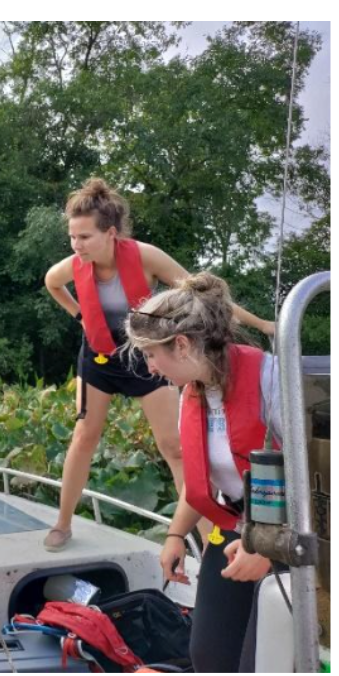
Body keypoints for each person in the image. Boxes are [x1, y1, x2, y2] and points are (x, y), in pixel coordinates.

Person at [40, 178, 273, 551]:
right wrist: (79, 316)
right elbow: (52, 283)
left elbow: (203, 295)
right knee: (84, 436)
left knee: (175, 447)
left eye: (84, 237)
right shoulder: (72, 265)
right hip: (99, 356)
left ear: (111, 233)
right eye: (72, 236)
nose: (75, 245)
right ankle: (62, 523)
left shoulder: (146, 255)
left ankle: (205, 537)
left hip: (149, 357)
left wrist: (262, 325)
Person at [123, 273, 282, 673]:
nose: (150, 367)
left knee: (260, 662)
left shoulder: (270, 377)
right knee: (210, 655)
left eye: (151, 354)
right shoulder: (190, 392)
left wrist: (267, 545)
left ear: (181, 345)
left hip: (285, 532)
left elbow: (311, 472)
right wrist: (176, 534)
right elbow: (203, 480)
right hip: (230, 531)